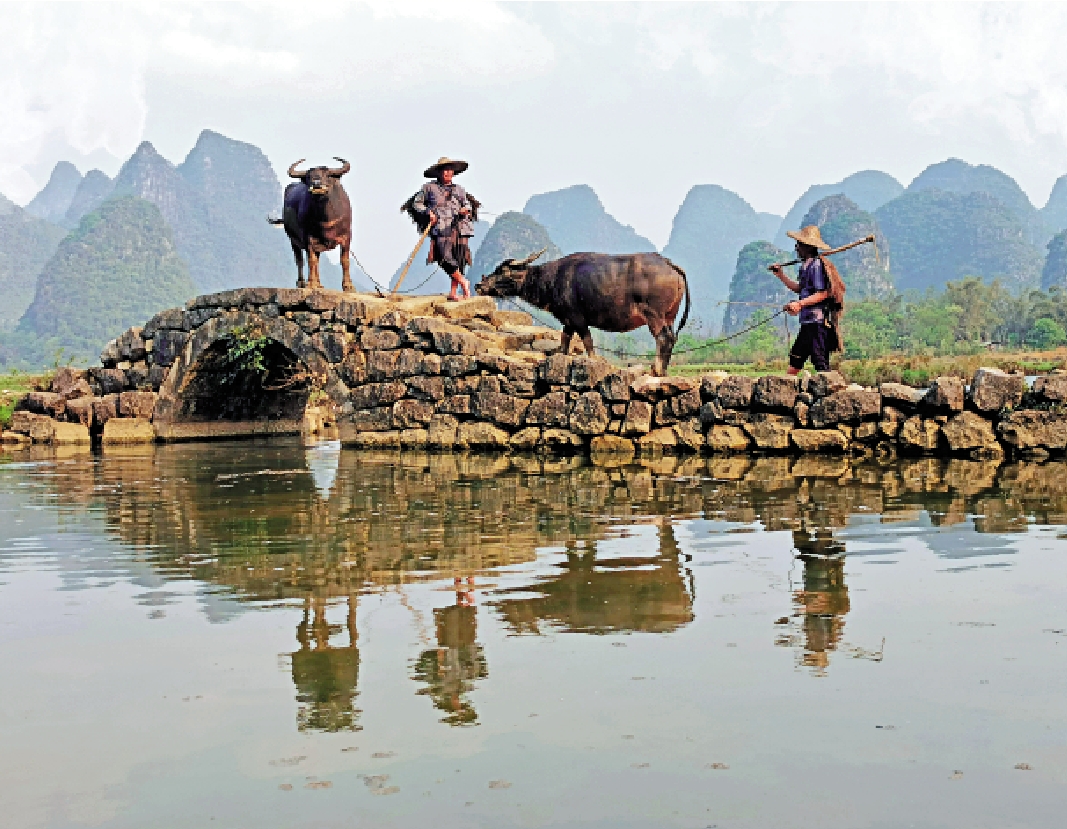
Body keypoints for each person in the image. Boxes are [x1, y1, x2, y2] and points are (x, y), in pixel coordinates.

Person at [769, 225, 840, 374]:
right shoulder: (805, 267)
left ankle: (831, 392)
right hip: (807, 322)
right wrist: (780, 275)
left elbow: (823, 293)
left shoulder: (816, 266)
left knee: (820, 363)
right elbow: (800, 289)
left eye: (799, 244)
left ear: (807, 247)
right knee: (796, 359)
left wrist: (800, 304)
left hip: (817, 323)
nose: (796, 248)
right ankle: (785, 390)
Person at [412, 157, 474, 301]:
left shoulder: (459, 190)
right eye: (445, 170)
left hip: (460, 227)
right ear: (439, 172)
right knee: (443, 256)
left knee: (459, 259)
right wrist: (429, 212)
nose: (448, 172)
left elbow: (467, 205)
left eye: (450, 170)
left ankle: (454, 292)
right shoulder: (429, 188)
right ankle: (464, 281)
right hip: (441, 227)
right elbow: (417, 204)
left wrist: (466, 210)